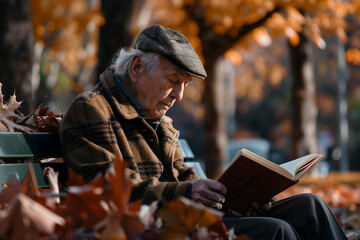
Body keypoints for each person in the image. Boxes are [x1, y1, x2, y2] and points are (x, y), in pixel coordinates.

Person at [60, 24, 347, 239]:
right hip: (153, 230)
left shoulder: (160, 121)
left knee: (310, 205)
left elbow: (187, 181)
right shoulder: (93, 109)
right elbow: (106, 195)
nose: (179, 95)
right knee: (276, 231)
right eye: (174, 80)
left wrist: (232, 204)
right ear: (137, 67)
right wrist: (186, 192)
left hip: (187, 221)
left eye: (185, 84)